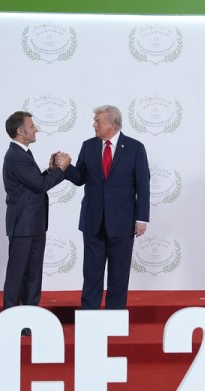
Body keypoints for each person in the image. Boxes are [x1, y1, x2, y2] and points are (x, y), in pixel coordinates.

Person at [60, 105, 150, 310]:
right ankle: (89, 315)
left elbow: (143, 185)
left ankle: (114, 317)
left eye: (97, 121)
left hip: (123, 222)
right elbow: (80, 178)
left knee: (119, 274)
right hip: (93, 220)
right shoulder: (88, 146)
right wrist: (66, 168)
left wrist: (141, 218)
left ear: (111, 124)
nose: (94, 124)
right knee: (91, 272)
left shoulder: (135, 148)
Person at [2, 111, 68, 333]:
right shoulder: (15, 156)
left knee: (33, 273)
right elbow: (40, 186)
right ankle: (11, 321)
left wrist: (50, 170)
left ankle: (29, 320)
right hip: (24, 225)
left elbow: (35, 182)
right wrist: (61, 169)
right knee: (18, 273)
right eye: (32, 126)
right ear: (20, 131)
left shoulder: (23, 154)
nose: (36, 129)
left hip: (34, 223)